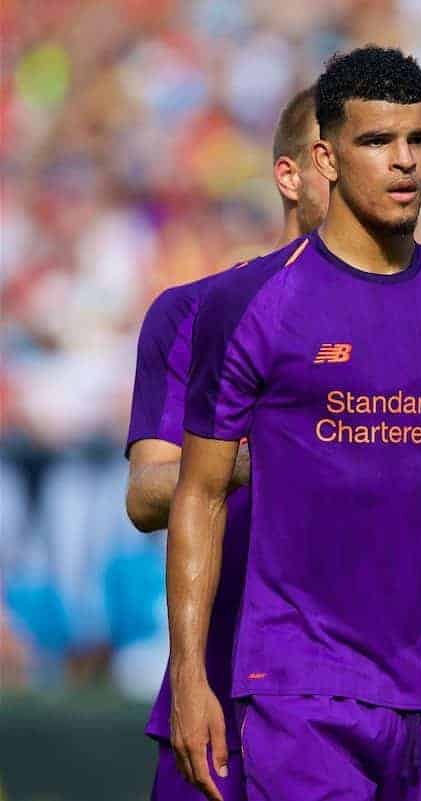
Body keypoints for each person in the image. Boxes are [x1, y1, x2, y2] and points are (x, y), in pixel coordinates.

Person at [165, 47, 421, 801]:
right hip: (299, 685)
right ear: (326, 157)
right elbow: (200, 495)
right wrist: (192, 675)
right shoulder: (251, 306)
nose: (404, 161)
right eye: (377, 142)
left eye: (420, 140)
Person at [125, 84, 329, 801]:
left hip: (373, 700)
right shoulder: (192, 313)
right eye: (340, 155)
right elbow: (148, 491)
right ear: (292, 173)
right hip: (224, 686)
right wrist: (256, 456)